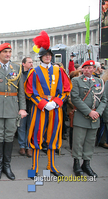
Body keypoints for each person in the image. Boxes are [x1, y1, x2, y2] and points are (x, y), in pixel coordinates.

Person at [24, 31, 72, 177]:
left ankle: (51, 166)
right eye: (45, 55)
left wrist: (57, 102)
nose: (48, 57)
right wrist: (43, 104)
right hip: (40, 109)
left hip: (55, 109)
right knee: (37, 136)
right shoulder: (34, 71)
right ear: (40, 57)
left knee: (53, 136)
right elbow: (30, 92)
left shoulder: (59, 70)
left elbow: (66, 89)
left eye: (49, 55)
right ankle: (34, 167)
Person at [0, 43, 27, 181]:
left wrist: (22, 108)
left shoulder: (17, 68)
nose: (8, 54)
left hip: (12, 107)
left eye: (9, 51)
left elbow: (21, 91)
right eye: (5, 52)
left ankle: (7, 166)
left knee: (9, 136)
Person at [71, 60, 106, 178]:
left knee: (90, 142)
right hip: (82, 116)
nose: (87, 70)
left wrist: (98, 112)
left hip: (95, 118)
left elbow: (104, 99)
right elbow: (75, 98)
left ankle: (87, 163)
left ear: (94, 69)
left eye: (90, 68)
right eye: (85, 68)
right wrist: (89, 112)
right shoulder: (76, 80)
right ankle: (76, 163)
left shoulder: (99, 81)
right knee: (78, 141)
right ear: (82, 69)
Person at [17, 57, 33, 157]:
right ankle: (22, 146)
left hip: (32, 102)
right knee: (21, 125)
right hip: (21, 102)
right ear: (23, 64)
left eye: (32, 62)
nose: (31, 64)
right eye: (29, 62)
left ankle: (28, 146)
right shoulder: (19, 74)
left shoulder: (34, 73)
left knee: (30, 125)